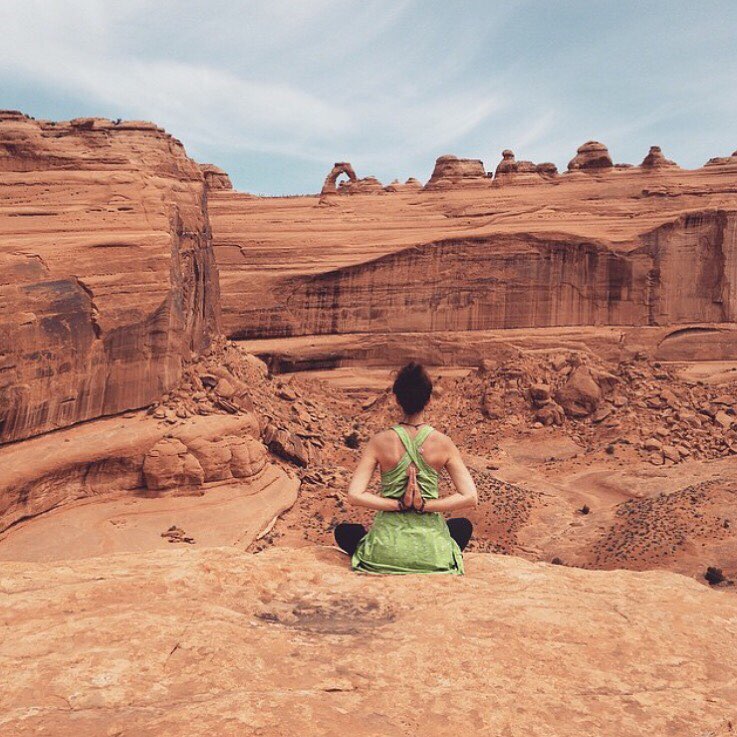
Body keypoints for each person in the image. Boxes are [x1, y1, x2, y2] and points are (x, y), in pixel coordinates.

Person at [334, 362, 478, 574]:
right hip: (432, 553)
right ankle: (429, 557)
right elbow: (470, 497)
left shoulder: (379, 441)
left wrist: (398, 505)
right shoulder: (443, 443)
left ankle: (389, 558)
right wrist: (424, 506)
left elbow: (354, 495)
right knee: (462, 526)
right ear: (429, 399)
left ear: (397, 398)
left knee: (344, 531)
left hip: (386, 550)